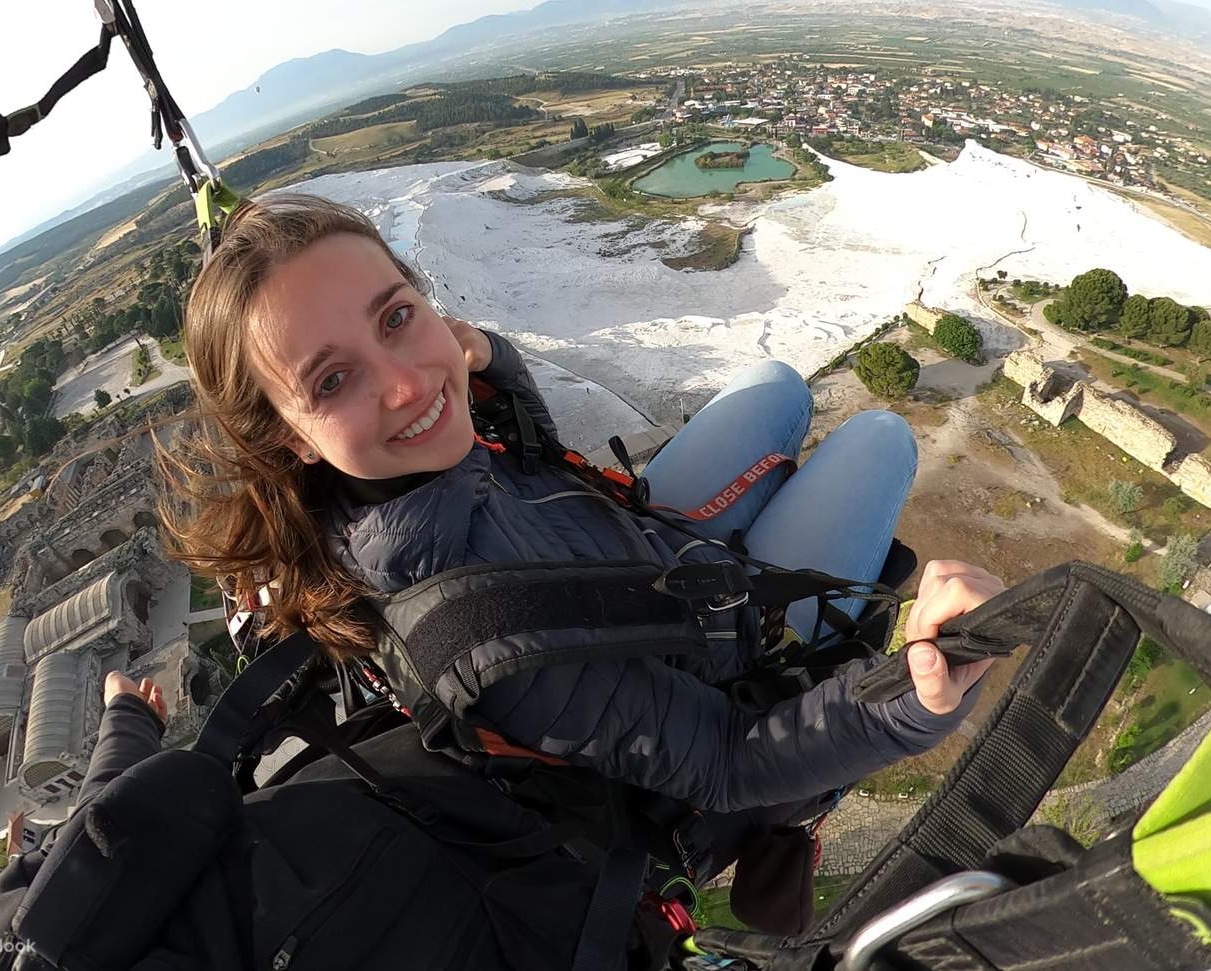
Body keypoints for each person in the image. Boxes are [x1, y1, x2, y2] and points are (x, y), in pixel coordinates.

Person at [157, 194, 1000, 868]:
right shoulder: (477, 633)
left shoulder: (364, 487)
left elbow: (535, 466)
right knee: (878, 438)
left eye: (396, 317)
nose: (406, 384)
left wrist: (490, 362)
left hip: (645, 556)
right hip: (729, 666)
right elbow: (725, 756)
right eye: (335, 378)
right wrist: (910, 704)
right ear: (289, 437)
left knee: (777, 382)